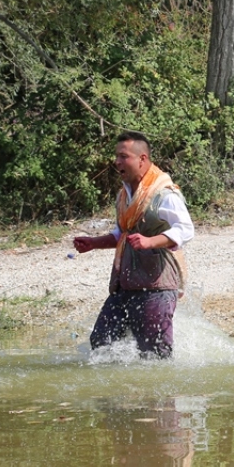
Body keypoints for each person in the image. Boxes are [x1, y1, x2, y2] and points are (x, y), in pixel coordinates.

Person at [74, 131, 194, 358]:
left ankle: (160, 394)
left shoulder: (163, 193)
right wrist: (93, 243)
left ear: (143, 159)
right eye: (116, 157)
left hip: (157, 288)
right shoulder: (124, 195)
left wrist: (150, 241)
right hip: (125, 286)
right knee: (102, 343)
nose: (117, 162)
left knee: (155, 354)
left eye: (123, 156)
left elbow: (185, 228)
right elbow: (122, 234)